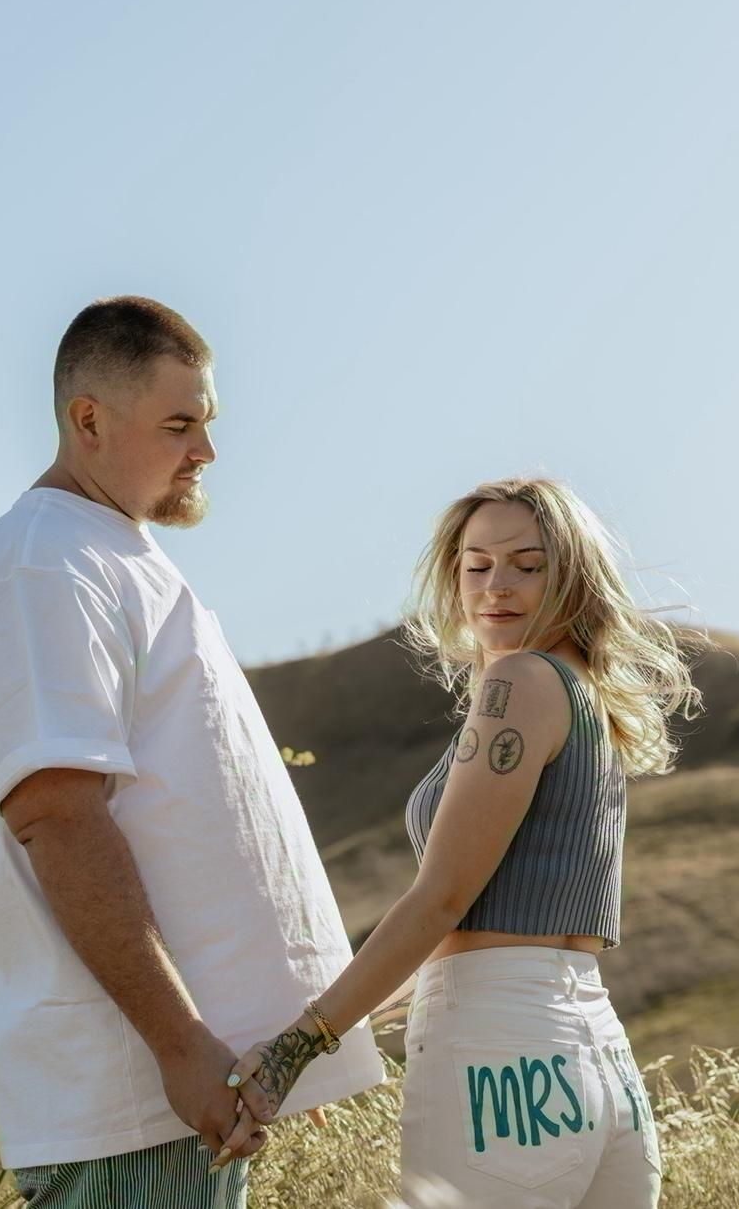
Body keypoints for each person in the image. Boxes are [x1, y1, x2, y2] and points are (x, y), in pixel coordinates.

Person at [0, 295, 386, 1208]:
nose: (206, 450)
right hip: (133, 1107)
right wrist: (181, 1047)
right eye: (179, 425)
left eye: (208, 422)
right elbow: (58, 817)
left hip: (187, 1102)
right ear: (89, 421)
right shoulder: (43, 563)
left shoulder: (115, 554)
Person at [214, 477, 710, 1207]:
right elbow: (512, 916)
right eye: (476, 565)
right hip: (600, 1063)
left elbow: (442, 899)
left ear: (573, 577)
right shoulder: (584, 696)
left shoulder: (521, 681)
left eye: (527, 565)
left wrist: (294, 1050)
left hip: (502, 1067)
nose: (496, 586)